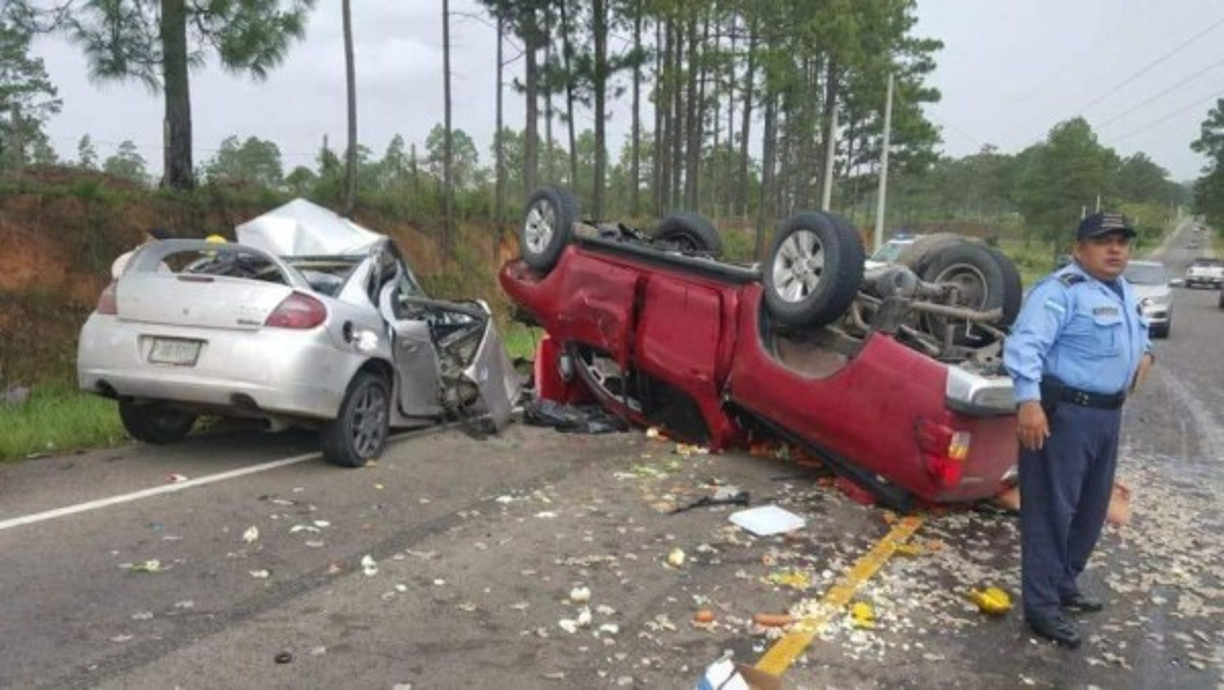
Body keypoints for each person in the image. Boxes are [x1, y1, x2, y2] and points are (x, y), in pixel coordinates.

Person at [1003, 212, 1155, 649]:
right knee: (1051, 511)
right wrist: (1028, 401)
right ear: (1079, 248)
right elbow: (1026, 345)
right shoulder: (1060, 291)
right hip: (1063, 415)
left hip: (1107, 417)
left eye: (1122, 242)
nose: (1115, 249)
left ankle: (1064, 585)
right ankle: (1042, 608)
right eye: (1103, 241)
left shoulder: (1125, 292)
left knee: (1090, 510)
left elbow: (1140, 340)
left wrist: (1147, 356)